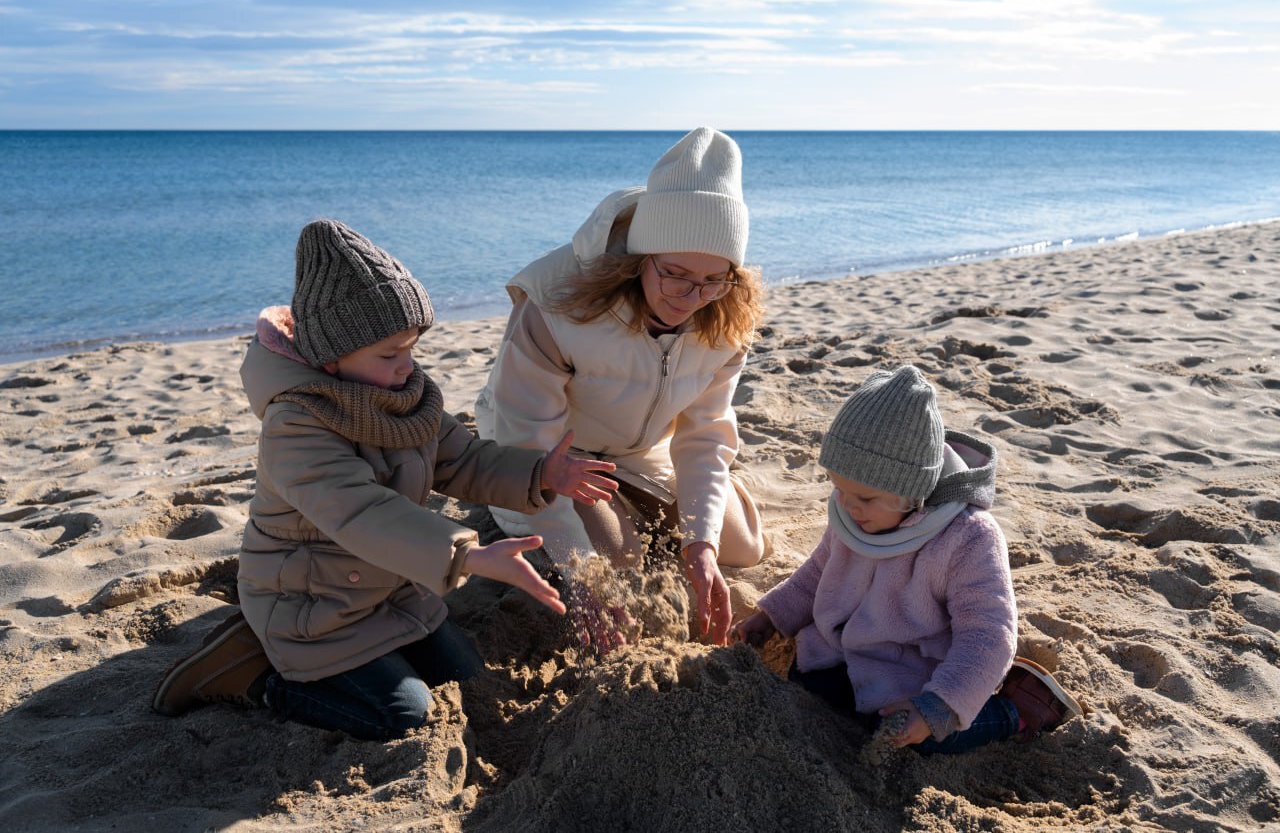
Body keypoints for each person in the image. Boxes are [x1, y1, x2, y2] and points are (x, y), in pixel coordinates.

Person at [152, 218, 618, 741]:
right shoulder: (296, 424)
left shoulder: (405, 396)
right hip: (313, 607)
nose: (407, 365)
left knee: (467, 679)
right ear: (330, 359)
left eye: (412, 346)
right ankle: (253, 674)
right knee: (405, 716)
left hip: (394, 590)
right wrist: (464, 554)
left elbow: (461, 460)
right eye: (389, 354)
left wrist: (538, 472)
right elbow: (361, 512)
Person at [474, 127, 768, 654]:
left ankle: (662, 503)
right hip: (550, 453)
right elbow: (528, 444)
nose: (690, 296)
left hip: (641, 449)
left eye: (713, 279)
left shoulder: (724, 318)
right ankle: (613, 515)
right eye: (674, 273)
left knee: (739, 549)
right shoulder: (557, 305)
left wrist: (701, 544)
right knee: (616, 563)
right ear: (640, 258)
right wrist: (583, 580)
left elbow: (703, 437)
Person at [733, 366, 1083, 754]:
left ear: (912, 492)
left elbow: (988, 635)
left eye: (864, 497)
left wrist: (937, 706)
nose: (847, 505)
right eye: (838, 487)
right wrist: (772, 617)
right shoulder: (853, 513)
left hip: (918, 677)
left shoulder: (967, 538)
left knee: (925, 738)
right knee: (808, 681)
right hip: (848, 652)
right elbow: (818, 573)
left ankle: (1016, 710)